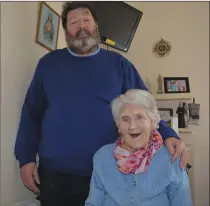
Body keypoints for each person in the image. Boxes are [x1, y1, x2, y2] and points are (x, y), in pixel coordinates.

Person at [14, 2, 187, 206]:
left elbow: (146, 107)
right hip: (55, 176)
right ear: (66, 31)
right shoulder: (48, 64)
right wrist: (25, 159)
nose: (81, 26)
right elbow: (31, 113)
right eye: (74, 22)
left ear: (96, 26)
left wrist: (168, 134)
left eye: (86, 20)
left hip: (109, 171)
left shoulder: (120, 64)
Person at [85, 89, 193, 206]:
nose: (132, 126)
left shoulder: (172, 157)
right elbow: (94, 203)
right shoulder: (102, 156)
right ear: (118, 126)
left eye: (139, 117)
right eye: (125, 119)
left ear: (153, 122)